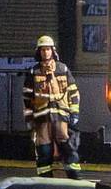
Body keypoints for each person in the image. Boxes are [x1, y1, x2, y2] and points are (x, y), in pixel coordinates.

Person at [22, 35, 82, 177]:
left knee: (68, 148)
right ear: (39, 52)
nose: (45, 53)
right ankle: (45, 180)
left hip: (61, 117)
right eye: (42, 50)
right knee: (44, 151)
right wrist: (29, 120)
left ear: (53, 51)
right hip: (42, 118)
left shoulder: (63, 69)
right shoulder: (33, 72)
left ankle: (74, 177)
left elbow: (73, 92)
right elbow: (27, 98)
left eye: (48, 49)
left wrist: (74, 113)